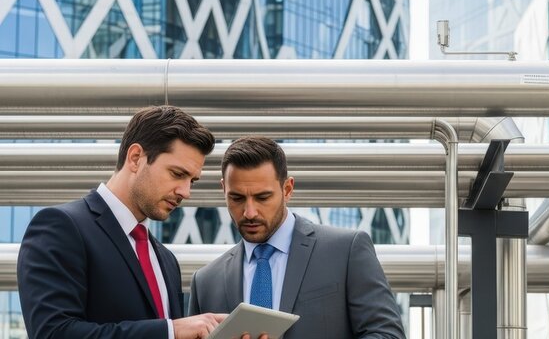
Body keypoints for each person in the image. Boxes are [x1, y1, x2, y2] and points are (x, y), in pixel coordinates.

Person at [17, 106, 228, 339]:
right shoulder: (61, 227)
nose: (186, 192)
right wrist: (171, 330)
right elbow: (53, 333)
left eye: (192, 181)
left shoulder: (166, 260)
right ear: (136, 158)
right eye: (177, 174)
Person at [188, 136, 405, 339]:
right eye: (237, 198)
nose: (250, 212)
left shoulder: (346, 252)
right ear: (223, 189)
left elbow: (387, 334)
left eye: (263, 197)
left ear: (288, 189)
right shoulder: (206, 281)